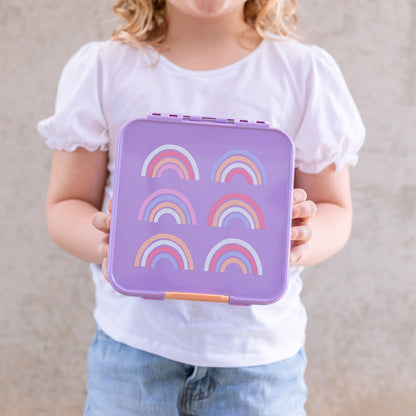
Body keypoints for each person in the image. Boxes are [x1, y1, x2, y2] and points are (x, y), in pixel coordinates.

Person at [37, 0, 365, 414]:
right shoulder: (105, 68)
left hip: (259, 365)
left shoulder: (303, 72)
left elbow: (334, 207)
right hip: (132, 357)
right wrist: (109, 239)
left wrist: (304, 239)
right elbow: (66, 205)